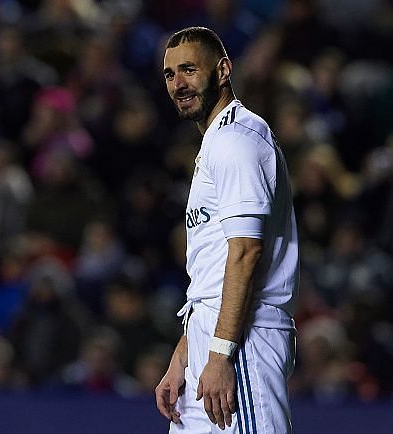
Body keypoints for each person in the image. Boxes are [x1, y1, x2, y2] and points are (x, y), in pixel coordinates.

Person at [155, 27, 299, 433]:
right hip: (212, 333)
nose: (178, 84)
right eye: (169, 75)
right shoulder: (217, 141)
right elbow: (212, 268)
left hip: (243, 340)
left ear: (222, 70)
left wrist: (219, 356)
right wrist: (184, 354)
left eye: (188, 70)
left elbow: (245, 252)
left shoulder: (238, 141)